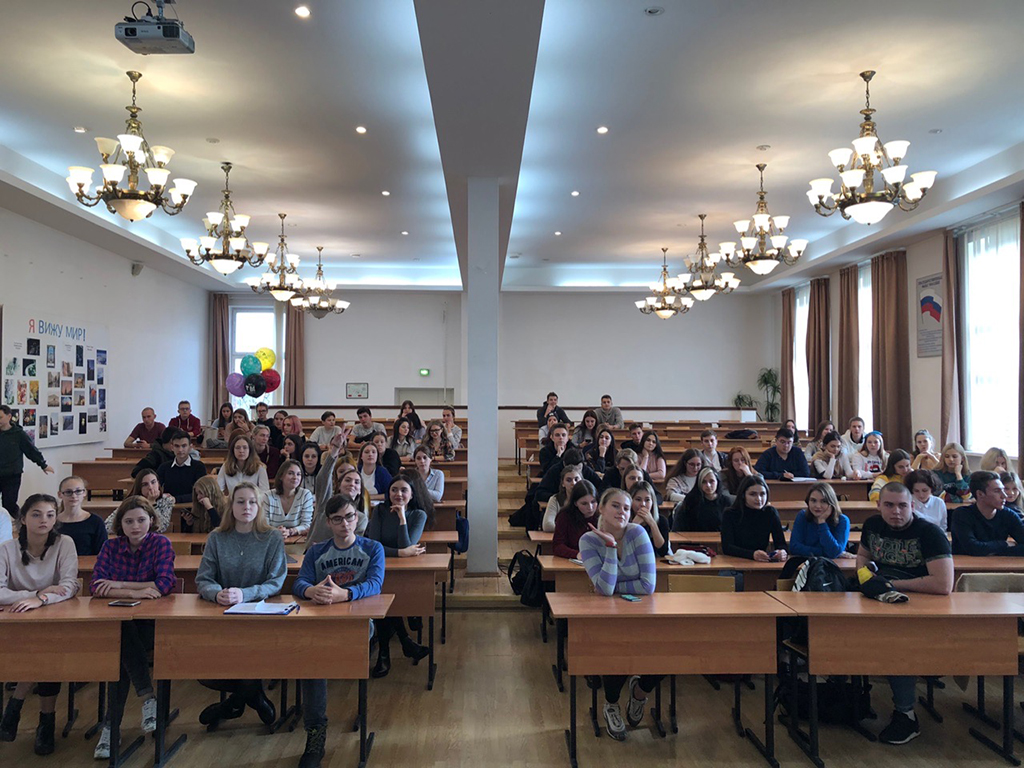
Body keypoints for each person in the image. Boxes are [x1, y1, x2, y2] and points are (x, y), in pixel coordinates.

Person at [294, 495, 385, 768]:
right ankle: (315, 732)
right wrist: (311, 591)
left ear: (357, 518)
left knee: (321, 654)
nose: (344, 524)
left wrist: (345, 594)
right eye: (337, 519)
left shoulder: (373, 548)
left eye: (349, 517)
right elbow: (300, 583)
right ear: (328, 523)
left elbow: (375, 584)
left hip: (357, 622)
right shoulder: (316, 552)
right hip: (320, 620)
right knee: (311, 658)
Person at [857, 482, 952, 745]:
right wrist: (866, 576)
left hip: (920, 606)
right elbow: (863, 556)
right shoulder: (872, 526)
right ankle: (847, 699)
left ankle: (906, 714)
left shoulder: (929, 533)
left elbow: (943, 585)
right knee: (839, 630)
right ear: (879, 505)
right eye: (889, 505)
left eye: (902, 506)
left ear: (912, 506)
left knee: (896, 643)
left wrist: (892, 584)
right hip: (880, 599)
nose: (896, 511)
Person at [89, 496, 176, 759]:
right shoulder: (110, 547)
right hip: (118, 624)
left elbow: (163, 584)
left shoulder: (160, 543)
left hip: (152, 626)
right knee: (123, 634)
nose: (135, 526)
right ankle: (148, 698)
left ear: (151, 520)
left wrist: (117, 585)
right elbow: (96, 586)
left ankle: (110, 729)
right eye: (128, 521)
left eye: (141, 520)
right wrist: (136, 590)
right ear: (120, 524)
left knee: (122, 651)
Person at [195, 483, 286, 728]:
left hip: (260, 615)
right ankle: (253, 696)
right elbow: (203, 579)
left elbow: (275, 582)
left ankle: (233, 704)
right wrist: (217, 594)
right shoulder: (217, 537)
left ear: (259, 506)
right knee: (199, 667)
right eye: (240, 502)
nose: (247, 507)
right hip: (222, 614)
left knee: (250, 656)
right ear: (231, 506)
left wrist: (244, 594)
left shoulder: (272, 537)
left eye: (252, 502)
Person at [0, 493, 79, 754]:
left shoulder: (64, 543)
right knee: (43, 653)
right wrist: (35, 595)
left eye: (50, 515)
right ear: (23, 519)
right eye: (36, 514)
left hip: (56, 617)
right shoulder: (6, 549)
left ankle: (17, 705)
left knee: (48, 650)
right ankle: (45, 721)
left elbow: (69, 586)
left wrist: (42, 600)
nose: (44, 520)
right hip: (18, 618)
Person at [578, 488, 659, 740]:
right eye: (615, 506)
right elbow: (603, 590)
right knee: (618, 653)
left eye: (626, 507)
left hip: (642, 611)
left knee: (669, 651)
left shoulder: (638, 533)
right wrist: (611, 547)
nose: (622, 512)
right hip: (608, 615)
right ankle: (611, 705)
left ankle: (639, 693)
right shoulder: (588, 540)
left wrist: (614, 587)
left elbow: (648, 586)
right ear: (601, 508)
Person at [365, 472, 432, 677]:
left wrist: (402, 517)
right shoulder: (380, 511)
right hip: (378, 568)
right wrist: (400, 553)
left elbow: (407, 544)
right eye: (394, 490)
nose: (398, 494)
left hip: (405, 572)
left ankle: (386, 652)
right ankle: (403, 643)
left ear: (412, 494)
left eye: (404, 490)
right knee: (381, 597)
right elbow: (374, 546)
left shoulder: (418, 515)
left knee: (388, 599)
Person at [951, 471, 1024, 556]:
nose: (1004, 495)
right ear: (980, 494)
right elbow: (973, 548)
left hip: (998, 563)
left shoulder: (1008, 515)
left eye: (1003, 490)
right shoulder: (962, 514)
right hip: (965, 563)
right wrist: (1005, 544)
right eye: (997, 491)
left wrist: (996, 551)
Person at [0, 404, 54, 518]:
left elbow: (31, 450)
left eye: (0, 417)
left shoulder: (19, 434)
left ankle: (22, 522)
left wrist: (43, 464)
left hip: (11, 475)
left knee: (9, 505)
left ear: (9, 417)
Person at [721, 475, 788, 562]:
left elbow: (781, 543)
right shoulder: (730, 514)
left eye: (762, 494)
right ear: (743, 495)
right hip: (736, 561)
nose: (759, 499)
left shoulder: (770, 512)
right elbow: (727, 547)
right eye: (753, 494)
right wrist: (752, 554)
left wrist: (782, 552)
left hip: (761, 561)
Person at [788, 482, 852, 559]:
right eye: (813, 500)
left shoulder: (842, 520)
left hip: (832, 564)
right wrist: (825, 552)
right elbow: (794, 547)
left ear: (831, 503)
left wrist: (822, 522)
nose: (818, 506)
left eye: (823, 501)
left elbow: (833, 552)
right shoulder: (802, 516)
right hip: (805, 562)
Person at [309, 466, 371, 545]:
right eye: (348, 480)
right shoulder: (325, 504)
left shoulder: (361, 518)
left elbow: (354, 545)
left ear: (360, 490)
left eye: (356, 482)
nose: (352, 484)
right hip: (314, 550)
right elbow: (322, 478)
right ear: (339, 485)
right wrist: (332, 458)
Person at [104, 469, 174, 533]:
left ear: (158, 484)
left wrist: (151, 503)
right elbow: (107, 526)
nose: (150, 487)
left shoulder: (166, 500)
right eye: (145, 484)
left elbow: (161, 527)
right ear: (140, 487)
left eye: (153, 482)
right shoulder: (131, 501)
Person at [56, 475, 106, 555]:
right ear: (60, 495)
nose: (74, 496)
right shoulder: (53, 521)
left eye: (78, 491)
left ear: (84, 493)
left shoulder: (96, 521)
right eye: (68, 492)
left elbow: (102, 553)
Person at [264, 459, 315, 538]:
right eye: (290, 473)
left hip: (297, 540)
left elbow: (307, 525)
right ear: (281, 476)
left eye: (298, 474)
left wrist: (290, 531)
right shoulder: (268, 496)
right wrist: (277, 531)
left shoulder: (305, 495)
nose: (295, 477)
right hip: (271, 538)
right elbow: (263, 525)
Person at [673, 467, 732, 532]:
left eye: (711, 481)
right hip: (693, 537)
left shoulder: (726, 502)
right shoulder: (691, 501)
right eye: (704, 482)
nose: (708, 485)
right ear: (699, 483)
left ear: (717, 482)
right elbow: (680, 527)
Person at [552, 480, 599, 559]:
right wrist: (577, 554)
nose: (590, 508)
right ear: (575, 503)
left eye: (593, 502)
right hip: (572, 560)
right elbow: (557, 546)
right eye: (584, 503)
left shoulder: (602, 516)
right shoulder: (565, 516)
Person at [157, 430, 208, 502]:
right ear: (172, 447)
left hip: (192, 507)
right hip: (169, 506)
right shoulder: (164, 467)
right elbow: (157, 489)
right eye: (177, 446)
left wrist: (176, 499)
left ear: (190, 447)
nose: (180, 450)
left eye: (184, 446)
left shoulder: (199, 467)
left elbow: (201, 493)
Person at [629, 481, 669, 557]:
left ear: (652, 502)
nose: (643, 504)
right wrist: (634, 525)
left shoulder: (662, 520)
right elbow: (624, 549)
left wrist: (652, 523)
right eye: (638, 499)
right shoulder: (625, 520)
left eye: (647, 500)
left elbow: (662, 551)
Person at [542, 465, 583, 532]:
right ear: (563, 483)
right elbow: (547, 525)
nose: (573, 483)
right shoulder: (555, 499)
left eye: (576, 479)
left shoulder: (587, 499)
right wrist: (571, 531)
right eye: (569, 480)